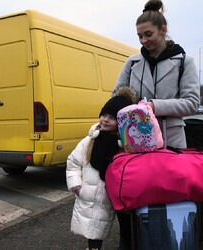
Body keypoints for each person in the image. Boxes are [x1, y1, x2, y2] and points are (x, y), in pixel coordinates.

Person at [112, 0, 200, 249]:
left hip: (172, 141)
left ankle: (173, 239)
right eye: (139, 36)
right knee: (135, 194)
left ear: (163, 29)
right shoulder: (132, 63)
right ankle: (134, 239)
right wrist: (119, 109)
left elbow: (191, 103)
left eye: (148, 34)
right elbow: (117, 96)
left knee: (170, 196)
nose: (143, 41)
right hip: (136, 144)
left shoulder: (184, 61)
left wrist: (154, 105)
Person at [66, 87, 137, 250]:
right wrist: (76, 185)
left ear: (120, 122)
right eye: (103, 115)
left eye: (111, 118)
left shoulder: (124, 145)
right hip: (89, 195)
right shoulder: (89, 140)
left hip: (111, 197)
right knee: (93, 233)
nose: (105, 120)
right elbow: (73, 162)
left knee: (114, 228)